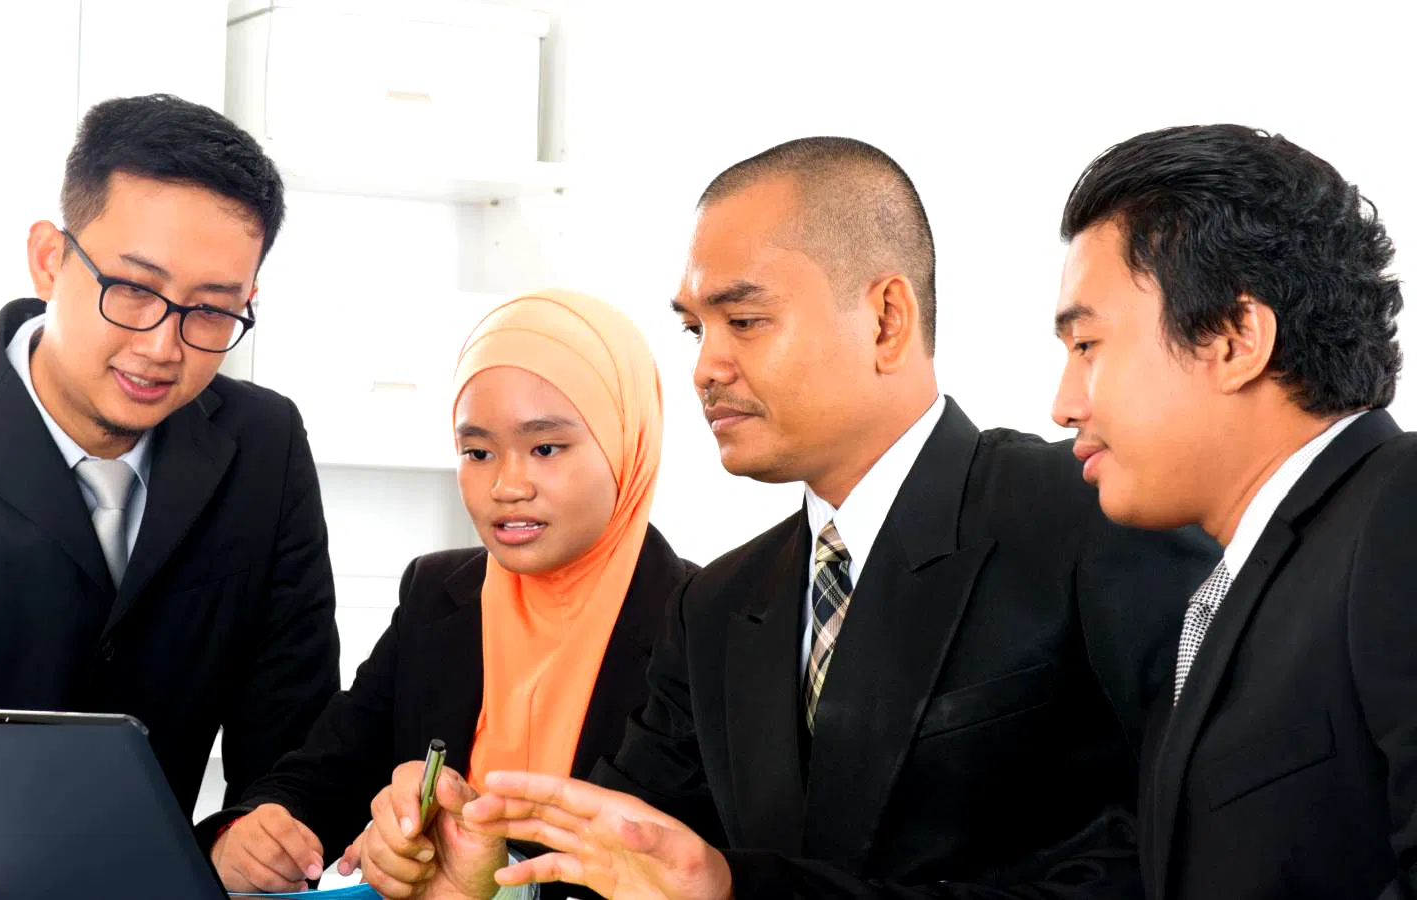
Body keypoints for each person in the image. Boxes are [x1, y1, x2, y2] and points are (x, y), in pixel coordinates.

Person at [355, 137, 1218, 900]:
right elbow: (614, 859)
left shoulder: (1088, 516)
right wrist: (487, 877)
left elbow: (1165, 863)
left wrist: (738, 890)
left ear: (886, 319)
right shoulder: (719, 606)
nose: (706, 367)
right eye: (695, 330)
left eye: (744, 320)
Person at [0, 95, 339, 899]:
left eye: (211, 310)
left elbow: (296, 728)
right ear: (48, 258)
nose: (161, 346)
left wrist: (253, 827)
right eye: (132, 288)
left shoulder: (264, 445)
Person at [203, 290, 696, 898]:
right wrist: (253, 833)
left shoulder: (705, 626)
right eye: (477, 452)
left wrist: (492, 883)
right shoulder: (435, 594)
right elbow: (328, 768)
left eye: (545, 448)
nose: (507, 485)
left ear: (627, 440)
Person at [1049, 124, 1414, 899]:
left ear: (1234, 338)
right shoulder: (1229, 597)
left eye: (1086, 345)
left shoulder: (1399, 509)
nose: (1064, 404)